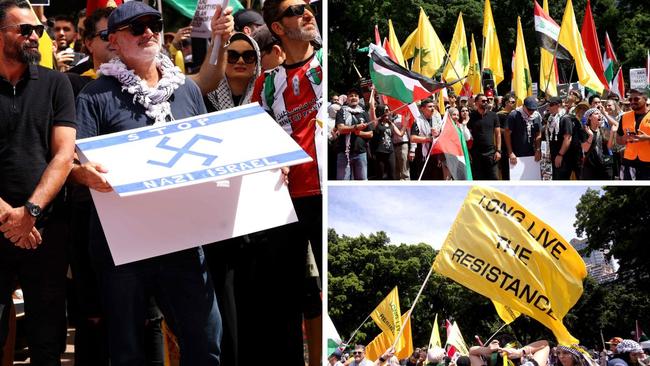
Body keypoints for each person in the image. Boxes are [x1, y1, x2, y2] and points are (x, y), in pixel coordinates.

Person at [71, 2, 222, 364]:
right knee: (127, 350)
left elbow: (216, 155)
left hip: (184, 241)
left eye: (154, 24)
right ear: (115, 43)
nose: (149, 33)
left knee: (206, 342)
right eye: (136, 28)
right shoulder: (94, 96)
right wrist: (83, 174)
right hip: (123, 246)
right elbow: (73, 163)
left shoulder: (185, 90)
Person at [0, 0, 77, 363]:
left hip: (44, 228)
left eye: (38, 30)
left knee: (47, 336)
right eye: (25, 30)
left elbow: (64, 155)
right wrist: (7, 216)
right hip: (3, 223)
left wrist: (29, 212)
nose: (35, 36)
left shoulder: (56, 83)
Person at [253, 0, 323, 363]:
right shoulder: (266, 83)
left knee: (332, 286)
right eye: (297, 9)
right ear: (278, 27)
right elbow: (257, 136)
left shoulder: (330, 67)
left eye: (309, 5)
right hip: (285, 200)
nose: (308, 11)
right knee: (284, 300)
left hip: (329, 195)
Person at [335, 87, 372, 180]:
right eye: (351, 96)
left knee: (362, 181)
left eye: (356, 96)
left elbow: (370, 134)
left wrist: (358, 132)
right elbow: (340, 129)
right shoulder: (341, 111)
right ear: (347, 99)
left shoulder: (364, 113)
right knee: (342, 182)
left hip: (361, 153)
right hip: (343, 153)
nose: (354, 97)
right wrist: (356, 127)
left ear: (359, 99)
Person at [616, 88, 650, 180]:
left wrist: (647, 138)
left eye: (636, 99)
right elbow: (618, 139)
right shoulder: (624, 117)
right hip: (629, 161)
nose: (632, 102)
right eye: (630, 99)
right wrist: (624, 139)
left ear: (645, 99)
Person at [505, 96, 542, 179]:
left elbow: (538, 133)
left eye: (533, 109)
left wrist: (538, 149)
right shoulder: (514, 115)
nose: (532, 112)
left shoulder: (536, 116)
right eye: (529, 109)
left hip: (531, 154)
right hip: (516, 153)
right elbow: (507, 134)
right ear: (523, 106)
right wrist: (510, 152)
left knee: (532, 179)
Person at [467, 93, 501, 179]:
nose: (486, 102)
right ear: (476, 103)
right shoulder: (472, 116)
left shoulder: (494, 115)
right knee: (479, 180)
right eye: (483, 101)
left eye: (487, 100)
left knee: (494, 178)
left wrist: (498, 151)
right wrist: (468, 152)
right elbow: (467, 135)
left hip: (491, 153)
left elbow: (498, 134)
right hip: (476, 154)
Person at [409, 98, 441, 180]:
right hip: (422, 154)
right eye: (430, 106)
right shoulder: (418, 121)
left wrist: (437, 134)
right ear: (422, 108)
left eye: (433, 106)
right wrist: (428, 139)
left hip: (435, 153)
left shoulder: (437, 119)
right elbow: (413, 138)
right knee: (425, 177)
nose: (433, 108)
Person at [581, 108, 614, 179]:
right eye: (596, 114)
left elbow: (609, 147)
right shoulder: (584, 131)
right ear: (589, 117)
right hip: (591, 167)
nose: (600, 115)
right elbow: (585, 149)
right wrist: (591, 135)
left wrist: (611, 134)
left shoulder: (604, 130)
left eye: (600, 114)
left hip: (605, 165)